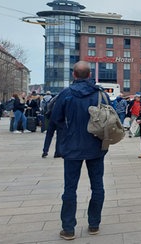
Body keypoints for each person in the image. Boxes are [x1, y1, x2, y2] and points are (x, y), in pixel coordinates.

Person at [50, 61, 106, 240]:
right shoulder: (100, 94)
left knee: (70, 188)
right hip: (96, 146)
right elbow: (112, 117)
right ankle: (94, 224)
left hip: (72, 147)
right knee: (97, 186)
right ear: (89, 75)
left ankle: (68, 229)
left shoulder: (66, 94)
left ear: (74, 75)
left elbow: (56, 118)